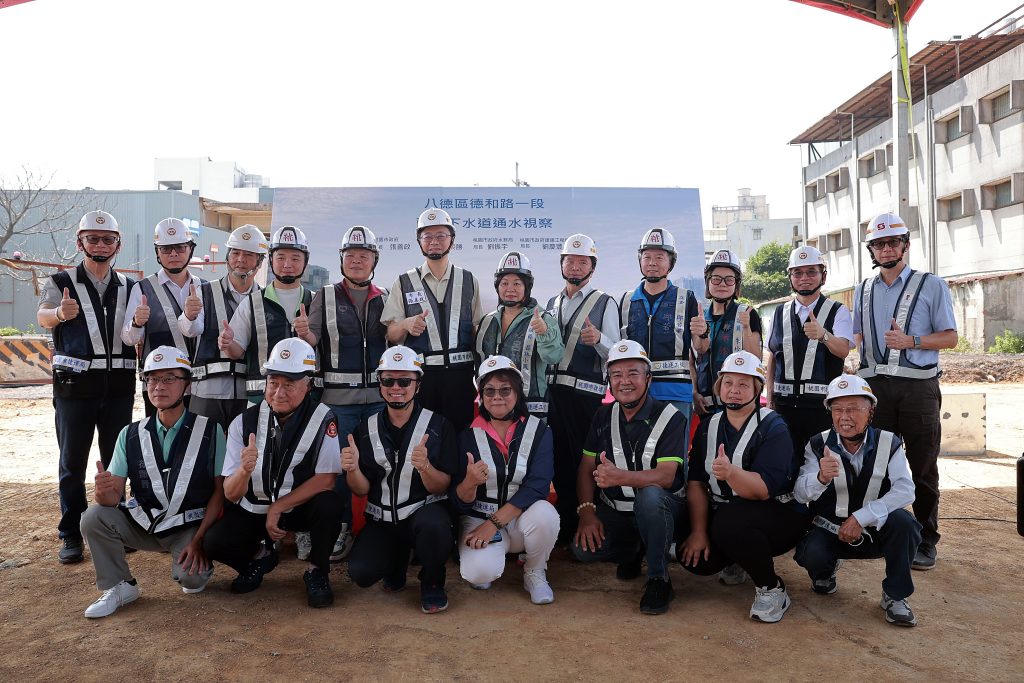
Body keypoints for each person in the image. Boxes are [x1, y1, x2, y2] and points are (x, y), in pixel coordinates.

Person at [79, 346, 226, 617]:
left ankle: (190, 562)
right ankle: (120, 586)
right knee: (93, 517)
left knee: (192, 580)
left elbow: (220, 491)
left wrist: (199, 539)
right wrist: (102, 491)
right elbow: (112, 499)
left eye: (169, 378)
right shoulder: (130, 433)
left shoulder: (211, 430)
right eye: (152, 379)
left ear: (187, 384)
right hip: (145, 524)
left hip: (188, 527)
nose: (159, 386)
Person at [203, 338, 343, 608]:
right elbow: (230, 493)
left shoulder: (324, 417)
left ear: (308, 385)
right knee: (214, 542)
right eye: (273, 382)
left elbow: (327, 478)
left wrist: (279, 506)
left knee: (330, 505)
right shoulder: (243, 422)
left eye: (289, 384)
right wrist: (244, 471)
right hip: (255, 508)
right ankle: (259, 558)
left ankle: (318, 571)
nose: (279, 392)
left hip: (297, 508)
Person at [853, 212, 957, 570]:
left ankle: (926, 539)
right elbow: (856, 336)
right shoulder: (863, 289)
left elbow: (951, 338)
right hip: (876, 390)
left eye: (892, 242)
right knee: (877, 463)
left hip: (917, 389)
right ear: (871, 250)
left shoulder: (931, 285)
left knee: (922, 466)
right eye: (878, 244)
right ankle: (884, 530)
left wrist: (912, 341)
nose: (886, 249)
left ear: (905, 245)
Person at [37, 210, 137, 564]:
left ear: (117, 245)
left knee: (117, 461)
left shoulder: (130, 286)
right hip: (74, 387)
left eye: (108, 239)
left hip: (119, 386)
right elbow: (43, 316)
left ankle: (116, 526)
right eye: (92, 238)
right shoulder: (60, 281)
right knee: (72, 462)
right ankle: (71, 532)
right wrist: (60, 314)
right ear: (80, 243)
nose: (100, 245)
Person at [680, 351, 808, 623]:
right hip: (729, 514)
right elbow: (696, 482)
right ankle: (737, 558)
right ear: (719, 386)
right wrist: (699, 532)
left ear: (757, 389)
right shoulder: (708, 426)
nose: (734, 391)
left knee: (730, 521)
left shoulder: (774, 426)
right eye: (728, 383)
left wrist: (730, 473)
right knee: (695, 556)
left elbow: (762, 490)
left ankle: (771, 588)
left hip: (778, 514)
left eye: (743, 384)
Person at [793, 374, 921, 626]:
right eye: (837, 409)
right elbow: (799, 494)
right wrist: (820, 478)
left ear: (870, 411)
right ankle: (825, 572)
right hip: (831, 530)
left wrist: (862, 518)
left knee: (904, 524)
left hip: (875, 530)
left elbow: (906, 489)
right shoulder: (818, 444)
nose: (844, 417)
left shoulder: (889, 442)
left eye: (853, 409)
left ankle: (895, 595)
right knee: (812, 554)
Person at [572, 340, 687, 615]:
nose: (624, 381)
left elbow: (666, 477)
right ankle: (635, 550)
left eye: (633, 373)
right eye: (616, 375)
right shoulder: (603, 415)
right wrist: (587, 513)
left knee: (650, 496)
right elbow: (585, 468)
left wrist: (619, 477)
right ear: (609, 381)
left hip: (662, 510)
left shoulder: (671, 417)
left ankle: (659, 579)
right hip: (618, 512)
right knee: (582, 550)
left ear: (648, 378)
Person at [297, 225, 389, 563]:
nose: (357, 261)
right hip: (337, 403)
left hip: (378, 401)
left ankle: (383, 526)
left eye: (364, 256)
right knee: (336, 468)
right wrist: (304, 334)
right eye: (351, 255)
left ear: (374, 261)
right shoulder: (324, 295)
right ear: (341, 259)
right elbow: (313, 340)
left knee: (379, 464)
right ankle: (341, 527)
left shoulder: (385, 296)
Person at [344, 346, 458, 614]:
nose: (396, 387)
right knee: (361, 573)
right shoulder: (365, 428)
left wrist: (425, 467)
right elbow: (360, 490)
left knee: (435, 526)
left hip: (423, 515)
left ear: (418, 385)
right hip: (382, 519)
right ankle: (396, 559)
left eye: (405, 381)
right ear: (380, 384)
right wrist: (352, 470)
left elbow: (442, 486)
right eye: (388, 381)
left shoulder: (439, 426)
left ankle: (432, 580)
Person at [453, 356, 559, 604]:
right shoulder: (466, 435)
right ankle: (492, 560)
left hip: (522, 521)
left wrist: (493, 524)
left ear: (518, 393)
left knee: (545, 514)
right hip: (479, 517)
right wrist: (469, 483)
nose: (497, 397)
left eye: (505, 390)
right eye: (489, 391)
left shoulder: (539, 430)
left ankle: (535, 570)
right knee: (478, 574)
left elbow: (538, 485)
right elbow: (457, 501)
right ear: (481, 395)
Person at [546, 233, 621, 543]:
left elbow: (618, 351)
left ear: (592, 266)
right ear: (562, 264)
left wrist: (599, 340)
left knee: (585, 463)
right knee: (559, 462)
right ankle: (566, 528)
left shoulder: (605, 302)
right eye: (570, 261)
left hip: (586, 396)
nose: (575, 267)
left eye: (582, 262)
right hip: (554, 395)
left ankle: (590, 525)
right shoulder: (552, 303)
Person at [380, 208, 483, 432]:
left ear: (452, 240)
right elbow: (392, 334)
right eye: (427, 236)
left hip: (461, 379)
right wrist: (405, 324)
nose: (434, 241)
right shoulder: (404, 282)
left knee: (460, 439)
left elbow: (477, 330)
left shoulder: (468, 280)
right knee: (423, 438)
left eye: (441, 235)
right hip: (422, 380)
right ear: (419, 241)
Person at [766, 245, 853, 463]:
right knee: (785, 464)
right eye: (798, 272)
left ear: (823, 276)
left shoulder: (838, 310)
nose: (804, 278)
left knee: (821, 465)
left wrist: (824, 335)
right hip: (784, 407)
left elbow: (843, 350)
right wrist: (770, 398)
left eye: (811, 272)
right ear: (790, 277)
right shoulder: (779, 312)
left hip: (821, 408)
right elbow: (773, 357)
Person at [619, 227, 702, 453]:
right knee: (637, 454)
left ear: (671, 262)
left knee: (675, 456)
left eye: (659, 257)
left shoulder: (686, 298)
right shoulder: (626, 301)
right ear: (639, 260)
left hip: (676, 392)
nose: (652, 263)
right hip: (636, 392)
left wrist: (701, 333)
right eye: (647, 257)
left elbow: (701, 348)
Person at [183, 225, 267, 430]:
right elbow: (191, 330)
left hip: (249, 394)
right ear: (227, 257)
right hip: (207, 393)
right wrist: (189, 315)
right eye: (235, 253)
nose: (240, 259)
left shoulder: (265, 300)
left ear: (259, 262)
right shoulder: (203, 291)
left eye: (249, 255)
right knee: (202, 446)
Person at [217, 225, 314, 403]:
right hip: (260, 398)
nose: (287, 264)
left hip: (306, 399)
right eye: (281, 257)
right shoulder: (252, 302)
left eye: (295, 258)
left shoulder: (316, 302)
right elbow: (236, 352)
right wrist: (228, 344)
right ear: (270, 260)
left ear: (305, 262)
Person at [122, 218, 206, 416]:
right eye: (166, 249)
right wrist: (136, 323)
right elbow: (128, 338)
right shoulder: (142, 288)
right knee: (158, 434)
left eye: (180, 247)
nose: (174, 254)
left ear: (190, 249)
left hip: (198, 384)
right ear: (157, 252)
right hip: (158, 386)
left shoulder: (205, 287)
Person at [474, 251, 564, 419]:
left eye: (517, 283)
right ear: (497, 286)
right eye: (504, 283)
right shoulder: (488, 321)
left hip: (531, 406)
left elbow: (554, 357)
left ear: (527, 287)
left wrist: (544, 333)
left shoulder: (543, 319)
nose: (510, 289)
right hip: (495, 406)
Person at [691, 249, 762, 416]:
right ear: (707, 282)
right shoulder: (699, 317)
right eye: (716, 279)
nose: (722, 284)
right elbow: (692, 359)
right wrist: (694, 392)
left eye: (729, 280)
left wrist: (746, 328)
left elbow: (756, 358)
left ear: (736, 284)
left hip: (739, 406)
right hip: (705, 406)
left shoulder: (747, 313)